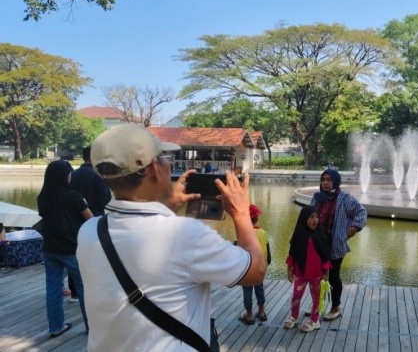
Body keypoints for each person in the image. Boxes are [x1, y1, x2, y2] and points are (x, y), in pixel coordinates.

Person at [77, 123, 265, 351]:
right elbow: (255, 271)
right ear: (155, 168)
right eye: (165, 157)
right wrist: (241, 212)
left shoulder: (89, 231)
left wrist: (168, 207)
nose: (170, 163)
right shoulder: (187, 234)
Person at [37, 160, 93, 338]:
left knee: (53, 287)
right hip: (72, 249)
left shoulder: (43, 198)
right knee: (84, 287)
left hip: (50, 248)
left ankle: (55, 327)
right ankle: (91, 328)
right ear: (64, 176)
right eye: (69, 173)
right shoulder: (74, 197)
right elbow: (90, 219)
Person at [309, 168, 367, 321]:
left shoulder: (344, 198)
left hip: (334, 245)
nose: (326, 183)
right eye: (323, 180)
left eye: (329, 180)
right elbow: (308, 215)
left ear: (335, 181)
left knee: (333, 276)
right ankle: (317, 305)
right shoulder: (317, 197)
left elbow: (361, 212)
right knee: (315, 276)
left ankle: (335, 307)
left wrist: (352, 230)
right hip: (317, 244)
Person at [68, 146, 112, 301]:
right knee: (95, 257)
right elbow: (106, 200)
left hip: (73, 222)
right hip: (94, 221)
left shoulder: (72, 174)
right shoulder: (98, 176)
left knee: (76, 256)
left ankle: (74, 292)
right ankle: (93, 290)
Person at [284, 205, 331, 332]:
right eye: (311, 217)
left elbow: (325, 255)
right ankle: (294, 317)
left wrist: (326, 271)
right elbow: (292, 253)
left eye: (317, 217)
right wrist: (289, 270)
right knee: (296, 296)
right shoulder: (298, 235)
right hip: (300, 273)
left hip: (316, 274)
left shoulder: (320, 235)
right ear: (304, 218)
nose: (315, 220)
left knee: (316, 297)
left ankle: (315, 321)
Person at [236, 204, 271, 325]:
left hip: (246, 269)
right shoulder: (262, 232)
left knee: (247, 290)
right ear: (256, 218)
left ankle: (249, 315)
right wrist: (266, 264)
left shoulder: (242, 233)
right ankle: (261, 312)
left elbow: (238, 251)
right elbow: (267, 251)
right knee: (259, 289)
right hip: (259, 268)